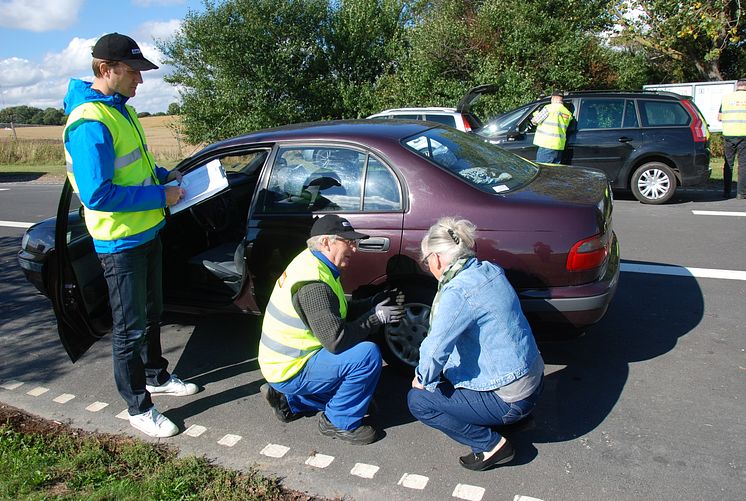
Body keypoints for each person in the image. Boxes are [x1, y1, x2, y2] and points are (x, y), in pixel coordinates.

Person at [63, 33, 197, 438]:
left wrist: (164, 176)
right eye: (134, 72)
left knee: (153, 313)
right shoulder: (90, 121)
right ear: (107, 69)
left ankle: (155, 374)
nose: (140, 81)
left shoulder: (119, 110)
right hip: (119, 243)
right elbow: (98, 193)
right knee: (129, 329)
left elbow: (135, 167)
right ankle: (137, 406)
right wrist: (161, 194)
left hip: (146, 231)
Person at [408, 217, 544, 471]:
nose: (429, 268)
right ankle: (507, 420)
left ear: (436, 258)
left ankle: (490, 445)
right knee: (446, 374)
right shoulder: (489, 270)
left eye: (427, 262)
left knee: (419, 400)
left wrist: (421, 378)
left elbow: (435, 350)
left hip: (512, 400)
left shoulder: (457, 292)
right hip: (533, 381)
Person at [258, 215, 404, 445]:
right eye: (348, 242)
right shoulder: (313, 284)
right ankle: (338, 422)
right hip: (291, 367)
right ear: (326, 242)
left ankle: (289, 401)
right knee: (366, 357)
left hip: (284, 362)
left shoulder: (313, 263)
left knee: (363, 398)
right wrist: (375, 318)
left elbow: (336, 313)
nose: (354, 249)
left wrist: (374, 303)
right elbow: (337, 340)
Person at [718, 79, 746, 199]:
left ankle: (726, 192)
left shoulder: (726, 98)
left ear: (737, 86)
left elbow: (719, 117)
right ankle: (741, 193)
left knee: (728, 163)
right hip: (744, 135)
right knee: (743, 165)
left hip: (728, 135)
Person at [531, 90, 573, 164]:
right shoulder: (567, 113)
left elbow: (535, 121)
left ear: (553, 98)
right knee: (554, 171)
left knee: (543, 170)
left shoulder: (549, 108)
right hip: (559, 146)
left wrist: (536, 113)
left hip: (547, 144)